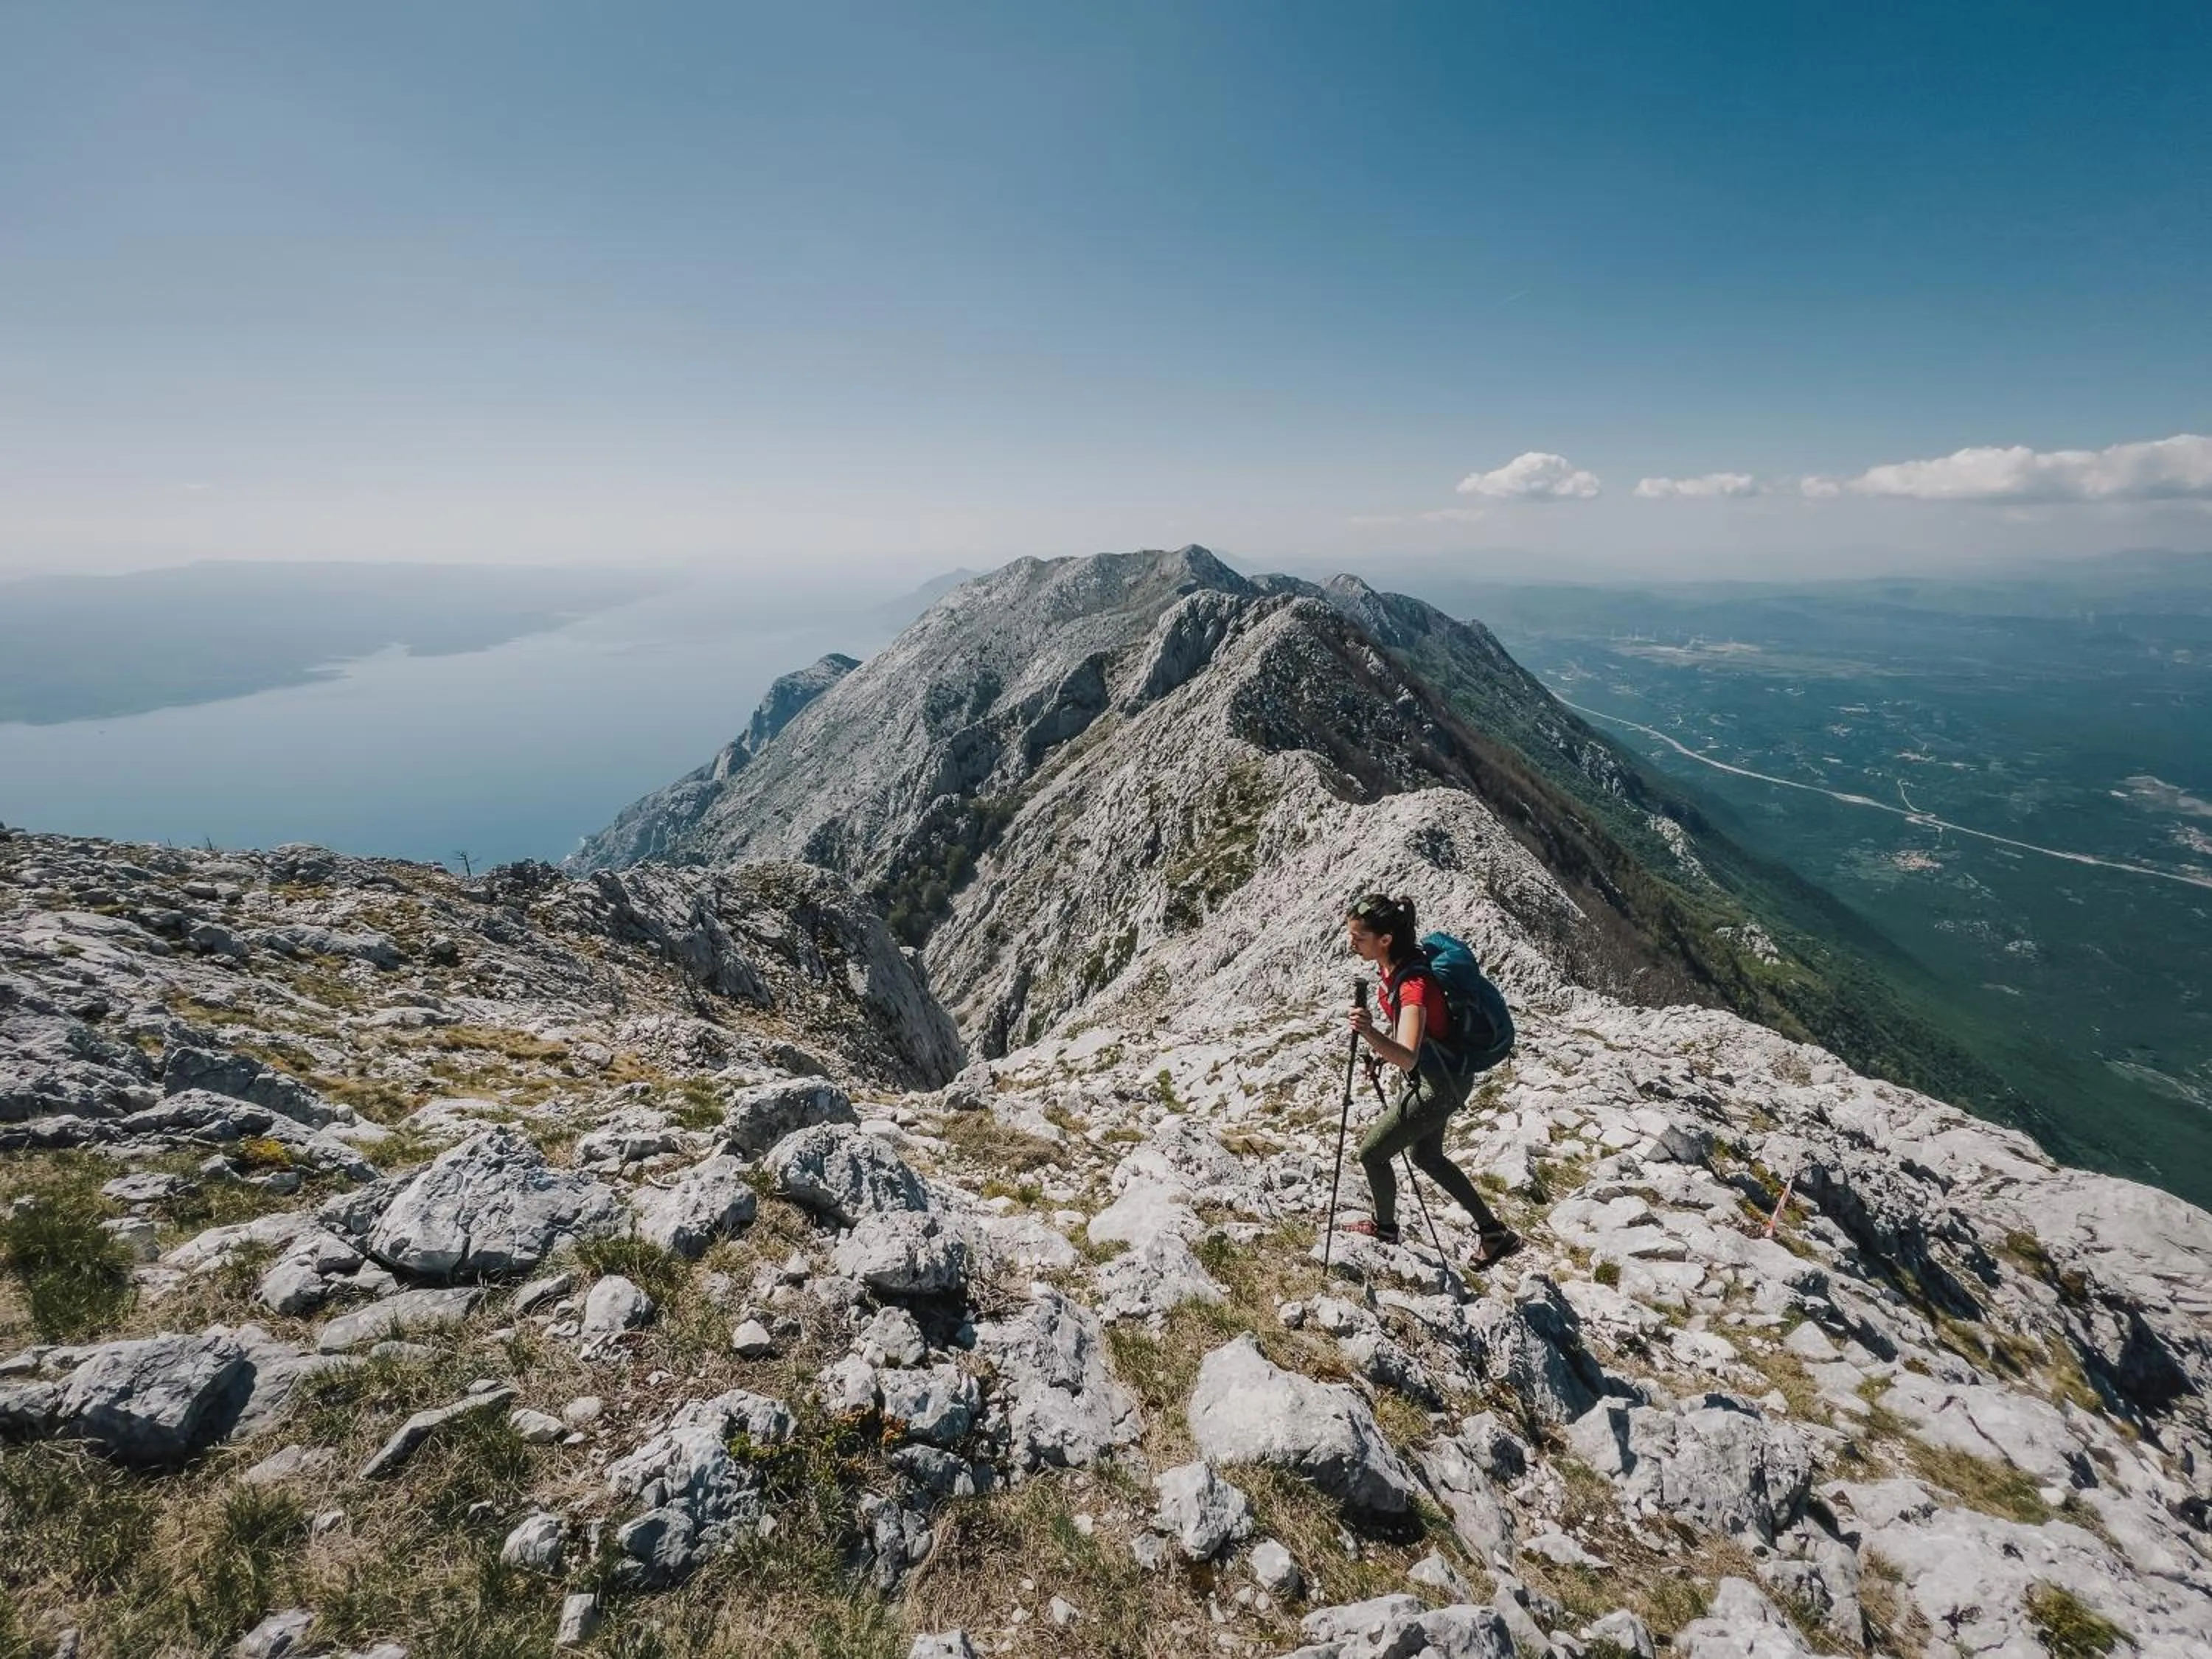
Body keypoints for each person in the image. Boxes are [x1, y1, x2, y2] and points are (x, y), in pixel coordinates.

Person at [1341, 892, 1523, 1268]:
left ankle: (1384, 1227)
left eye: (1359, 937)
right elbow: (1411, 1033)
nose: (1351, 943)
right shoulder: (1396, 967)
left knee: (1372, 1155)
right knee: (1427, 1157)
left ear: (1385, 939)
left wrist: (1371, 1035)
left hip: (1438, 1086)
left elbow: (1407, 1053)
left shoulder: (1414, 985)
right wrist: (1379, 1053)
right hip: (1443, 1078)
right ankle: (1494, 1234)